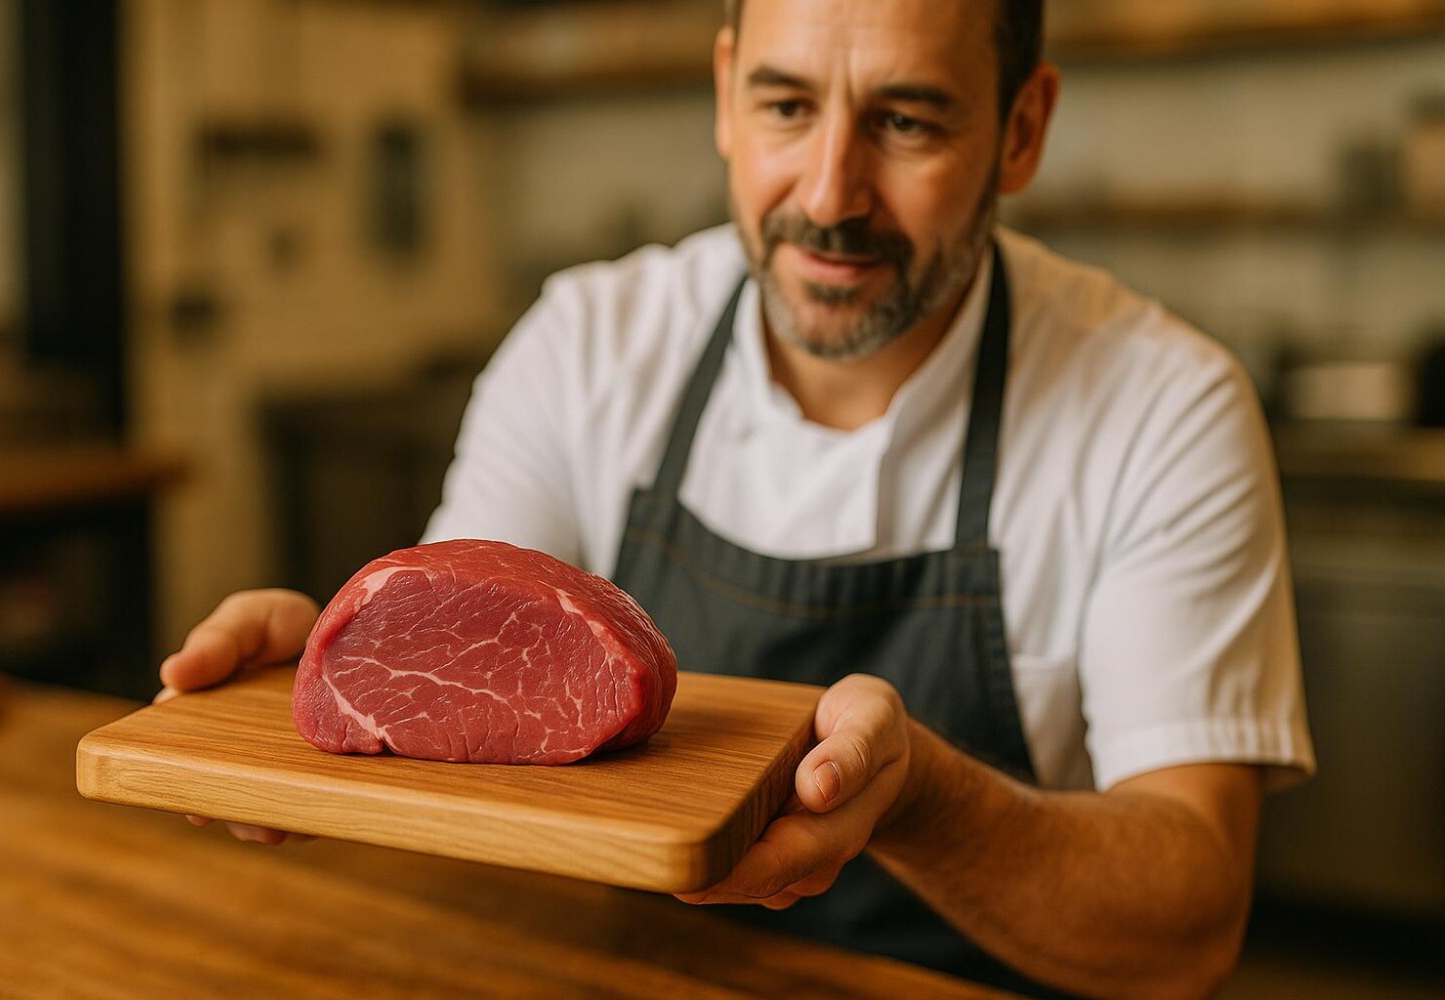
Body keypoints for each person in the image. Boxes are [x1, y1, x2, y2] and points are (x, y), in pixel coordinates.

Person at [158, 1, 1315, 995]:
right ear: (724, 94)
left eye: (907, 120)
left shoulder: (1166, 406)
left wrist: (920, 800)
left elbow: (1189, 927)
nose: (830, 194)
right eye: (785, 106)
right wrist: (310, 718)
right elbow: (463, 681)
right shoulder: (588, 345)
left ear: (1022, 130)